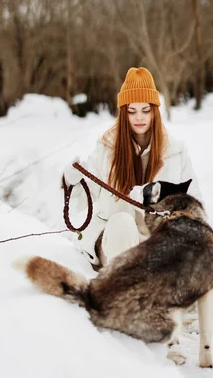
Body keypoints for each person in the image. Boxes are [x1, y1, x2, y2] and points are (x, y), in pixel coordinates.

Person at [63, 67, 201, 268]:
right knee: (122, 223)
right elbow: (83, 198)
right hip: (114, 239)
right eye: (132, 111)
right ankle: (120, 288)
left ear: (154, 111)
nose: (139, 118)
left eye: (145, 110)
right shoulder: (106, 148)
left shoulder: (176, 151)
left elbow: (194, 202)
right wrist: (71, 180)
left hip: (157, 241)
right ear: (123, 112)